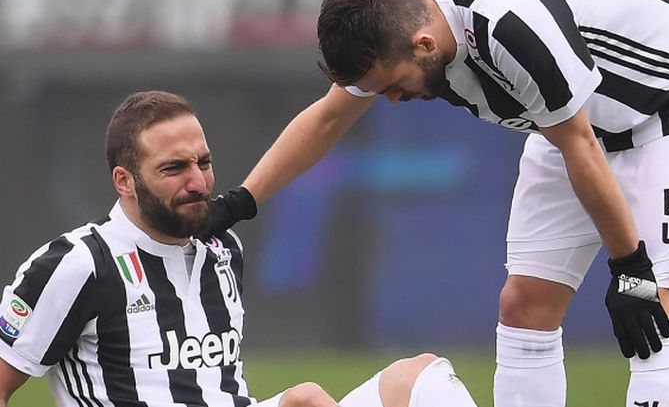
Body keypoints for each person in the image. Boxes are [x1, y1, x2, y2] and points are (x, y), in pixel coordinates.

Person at [210, 0, 669, 407]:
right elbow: (327, 118)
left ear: (424, 44)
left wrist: (630, 266)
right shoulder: (400, 20)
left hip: (663, 114)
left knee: (653, 312)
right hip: (573, 127)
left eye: (396, 86)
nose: (395, 101)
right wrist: (239, 202)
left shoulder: (509, 26)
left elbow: (581, 147)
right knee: (524, 305)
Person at [0, 90, 479, 407]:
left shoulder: (223, 248)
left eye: (203, 162)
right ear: (124, 181)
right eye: (173, 169)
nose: (197, 182)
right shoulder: (77, 264)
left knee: (421, 380)